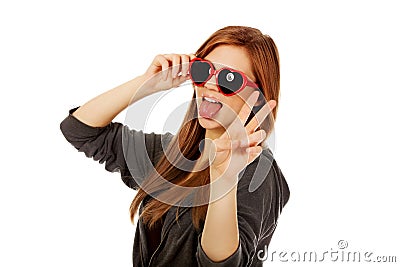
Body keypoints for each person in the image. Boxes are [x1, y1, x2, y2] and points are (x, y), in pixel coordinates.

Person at [60, 25, 290, 267]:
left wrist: (224, 178)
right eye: (204, 70)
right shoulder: (172, 152)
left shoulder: (260, 173)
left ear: (259, 96)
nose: (210, 85)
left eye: (229, 79)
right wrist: (146, 84)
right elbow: (80, 131)